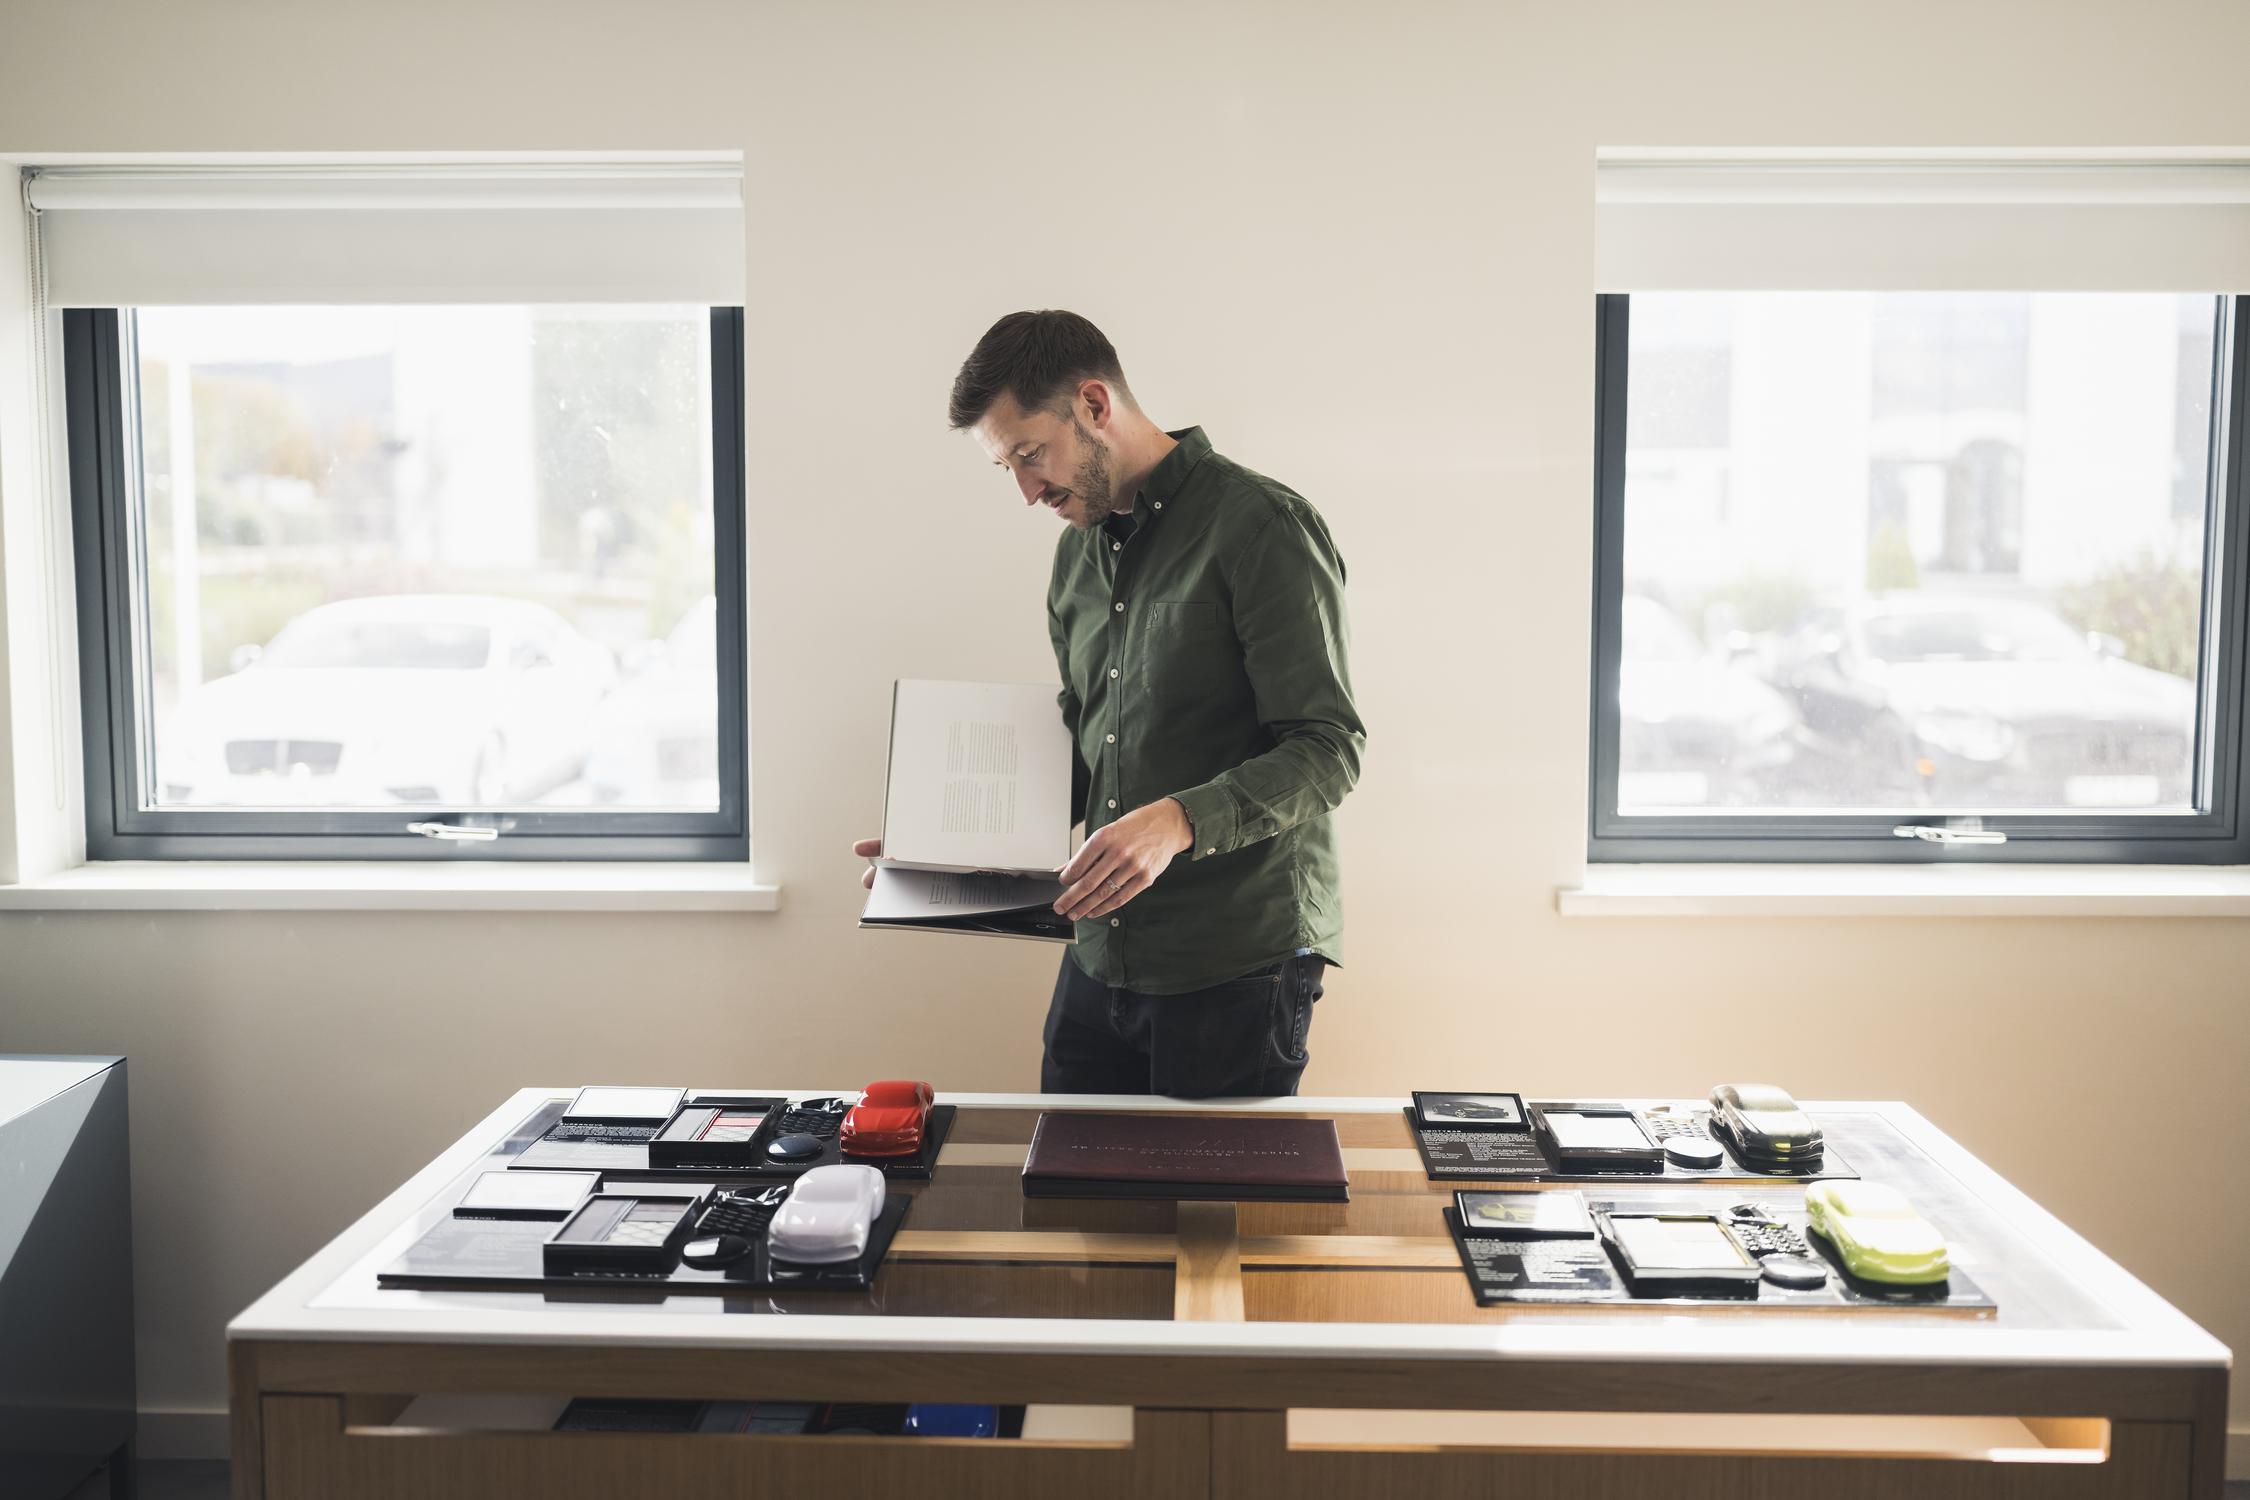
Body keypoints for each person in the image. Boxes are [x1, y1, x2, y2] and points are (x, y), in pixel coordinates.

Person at [858, 309, 1363, 1097]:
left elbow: (1328, 746)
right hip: (1098, 953)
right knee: (1071, 1206)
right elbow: (1091, 740)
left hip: (1236, 962)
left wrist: (1177, 821)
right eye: (1008, 469)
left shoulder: (1262, 528)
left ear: (1095, 404)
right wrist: (946, 841)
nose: (1028, 492)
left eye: (1031, 454)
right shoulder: (1074, 557)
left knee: (1202, 1221)